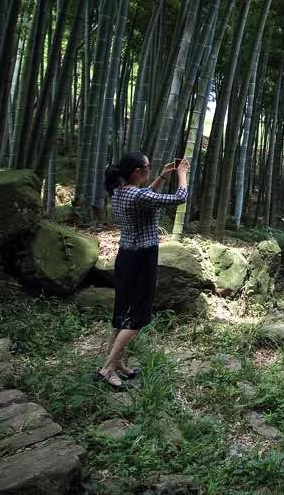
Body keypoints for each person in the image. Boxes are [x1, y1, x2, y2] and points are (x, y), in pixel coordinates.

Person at [93, 151, 190, 388]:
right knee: (137, 317)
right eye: (148, 167)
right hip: (142, 258)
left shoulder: (119, 191)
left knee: (123, 312)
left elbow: (146, 196)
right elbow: (180, 197)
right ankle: (107, 368)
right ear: (138, 171)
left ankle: (117, 362)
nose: (151, 168)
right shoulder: (138, 196)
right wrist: (182, 174)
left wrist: (162, 176)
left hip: (126, 257)